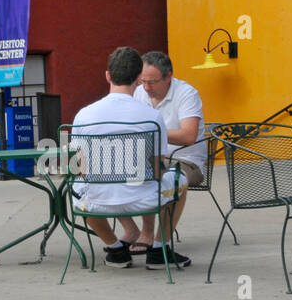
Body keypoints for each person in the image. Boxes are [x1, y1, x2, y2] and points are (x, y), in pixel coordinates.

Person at [69, 46, 191, 270]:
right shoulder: (152, 117)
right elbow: (157, 169)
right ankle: (158, 249)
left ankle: (115, 249)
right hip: (145, 199)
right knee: (179, 178)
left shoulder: (83, 115)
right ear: (137, 79)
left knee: (77, 186)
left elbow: (82, 169)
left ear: (108, 75)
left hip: (98, 201)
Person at [115, 50, 204, 252]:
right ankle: (132, 230)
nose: (146, 88)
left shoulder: (187, 93)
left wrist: (154, 131)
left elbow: (189, 136)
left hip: (185, 159)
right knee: (109, 173)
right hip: (149, 157)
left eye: (152, 82)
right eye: (142, 81)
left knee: (160, 174)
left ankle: (155, 239)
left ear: (169, 76)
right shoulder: (139, 92)